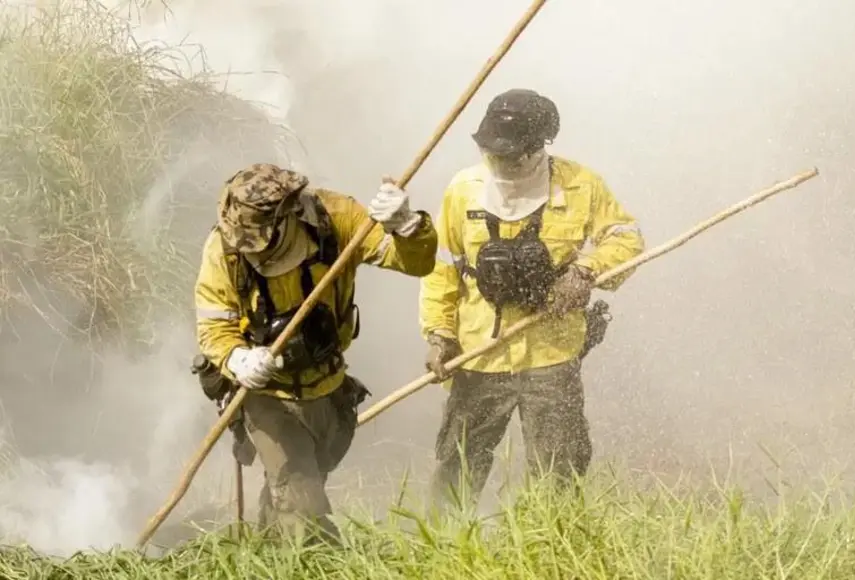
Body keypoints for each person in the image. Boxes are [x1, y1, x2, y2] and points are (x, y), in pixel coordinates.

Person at [419, 88, 646, 509]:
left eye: (511, 155)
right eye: (493, 153)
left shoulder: (580, 185)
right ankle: (444, 539)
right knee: (457, 465)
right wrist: (439, 335)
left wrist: (585, 271)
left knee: (559, 467)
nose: (502, 162)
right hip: (479, 354)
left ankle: (550, 540)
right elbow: (441, 270)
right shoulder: (464, 189)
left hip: (552, 356)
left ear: (539, 145)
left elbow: (626, 238)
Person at [193, 162, 437, 543]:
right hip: (266, 395)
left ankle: (267, 550)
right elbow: (213, 327)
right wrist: (238, 359)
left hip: (327, 387)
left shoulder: (336, 219)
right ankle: (325, 560)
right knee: (301, 500)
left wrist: (406, 226)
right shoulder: (224, 248)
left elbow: (417, 262)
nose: (249, 251)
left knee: (302, 482)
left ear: (288, 215)